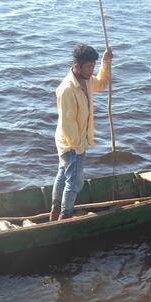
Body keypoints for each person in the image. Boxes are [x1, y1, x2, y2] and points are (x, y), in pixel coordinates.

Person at [50, 44, 112, 221]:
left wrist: (106, 62)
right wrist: (78, 148)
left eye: (94, 65)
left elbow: (102, 82)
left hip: (74, 141)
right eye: (89, 66)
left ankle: (55, 213)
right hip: (71, 143)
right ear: (77, 66)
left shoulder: (85, 80)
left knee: (63, 175)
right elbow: (68, 123)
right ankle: (65, 215)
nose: (92, 70)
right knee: (75, 182)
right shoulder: (67, 89)